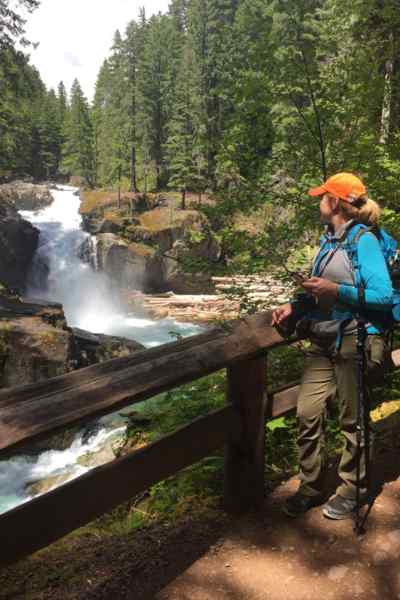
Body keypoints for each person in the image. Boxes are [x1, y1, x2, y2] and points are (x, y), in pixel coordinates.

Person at [271, 172, 393, 520]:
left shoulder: (363, 241)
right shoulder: (328, 241)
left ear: (335, 202)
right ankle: (310, 487)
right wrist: (296, 305)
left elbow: (383, 295)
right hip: (321, 338)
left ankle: (353, 489)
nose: (318, 201)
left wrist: (335, 291)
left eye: (322, 196)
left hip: (354, 339)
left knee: (351, 419)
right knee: (307, 412)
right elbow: (320, 292)